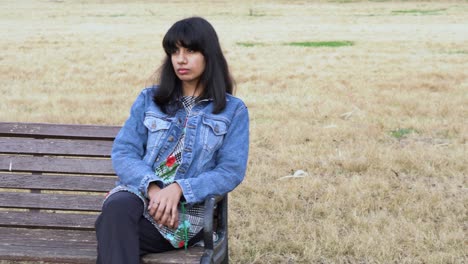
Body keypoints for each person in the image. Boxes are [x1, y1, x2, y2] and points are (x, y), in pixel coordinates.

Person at [94, 17, 249, 264]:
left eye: (190, 50)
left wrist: (179, 189)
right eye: (174, 51)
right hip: (139, 197)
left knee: (114, 229)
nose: (181, 59)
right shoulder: (149, 99)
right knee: (118, 208)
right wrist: (154, 189)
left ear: (209, 55)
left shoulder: (232, 111)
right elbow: (124, 152)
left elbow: (230, 171)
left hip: (185, 215)